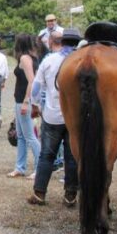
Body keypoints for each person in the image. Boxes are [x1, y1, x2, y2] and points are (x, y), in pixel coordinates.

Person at [29, 28, 80, 206]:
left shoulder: (49, 60)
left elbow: (36, 87)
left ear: (61, 42)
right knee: (72, 156)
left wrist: (34, 106)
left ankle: (39, 193)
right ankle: (70, 195)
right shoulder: (81, 61)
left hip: (52, 115)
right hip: (75, 118)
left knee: (47, 155)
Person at [8, 33, 41, 178]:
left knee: (30, 137)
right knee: (21, 136)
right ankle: (20, 167)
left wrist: (26, 102)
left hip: (23, 101)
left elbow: (31, 81)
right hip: (20, 100)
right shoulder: (33, 58)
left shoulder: (25, 58)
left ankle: (40, 168)